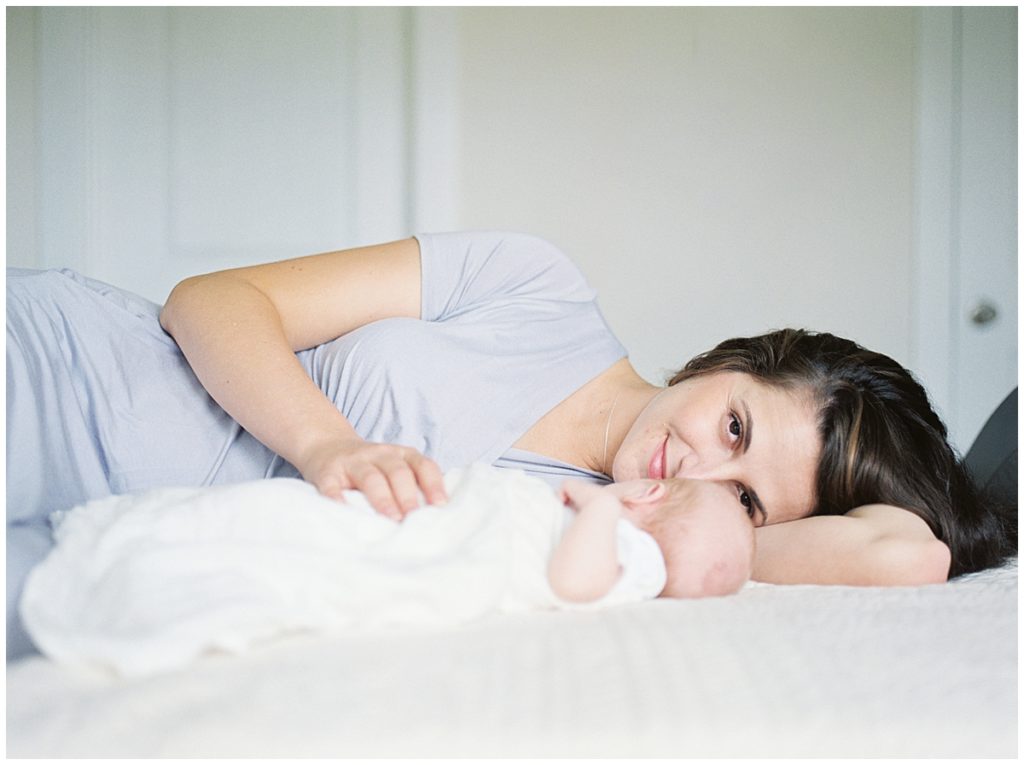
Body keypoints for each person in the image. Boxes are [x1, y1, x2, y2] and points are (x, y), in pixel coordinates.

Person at [7, 231, 1016, 656]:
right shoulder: (537, 287)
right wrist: (326, 447)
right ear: (730, 361)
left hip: (117, 547)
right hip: (72, 377)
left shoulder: (608, 545)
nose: (699, 468)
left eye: (748, 497)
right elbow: (214, 301)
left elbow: (910, 555)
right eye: (735, 426)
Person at [20, 466, 754, 676]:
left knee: (302, 540)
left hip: (454, 545)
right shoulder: (653, 551)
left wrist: (598, 511)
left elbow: (574, 582)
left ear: (646, 498)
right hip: (446, 513)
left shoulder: (631, 548)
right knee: (294, 517)